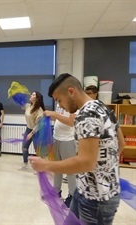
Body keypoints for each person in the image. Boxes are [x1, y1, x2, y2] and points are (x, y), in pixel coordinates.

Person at [29, 73, 125, 225]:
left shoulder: (85, 115)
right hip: (87, 190)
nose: (59, 105)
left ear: (71, 92)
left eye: (59, 100)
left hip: (96, 200)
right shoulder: (103, 107)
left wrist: (45, 165)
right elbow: (121, 144)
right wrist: (104, 170)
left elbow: (85, 162)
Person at [44, 105, 77, 207]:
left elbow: (71, 122)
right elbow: (57, 118)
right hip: (56, 137)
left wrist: (54, 114)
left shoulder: (73, 103)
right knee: (57, 168)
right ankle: (56, 191)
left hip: (67, 140)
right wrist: (47, 116)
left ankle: (72, 196)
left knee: (70, 170)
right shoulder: (60, 103)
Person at [18, 91, 45, 170]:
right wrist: (14, 94)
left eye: (33, 95)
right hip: (28, 129)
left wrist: (32, 133)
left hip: (36, 131)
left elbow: (40, 124)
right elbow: (20, 102)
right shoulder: (28, 106)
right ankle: (25, 164)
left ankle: (40, 168)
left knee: (38, 151)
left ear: (37, 98)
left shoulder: (39, 110)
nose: (31, 95)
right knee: (24, 148)